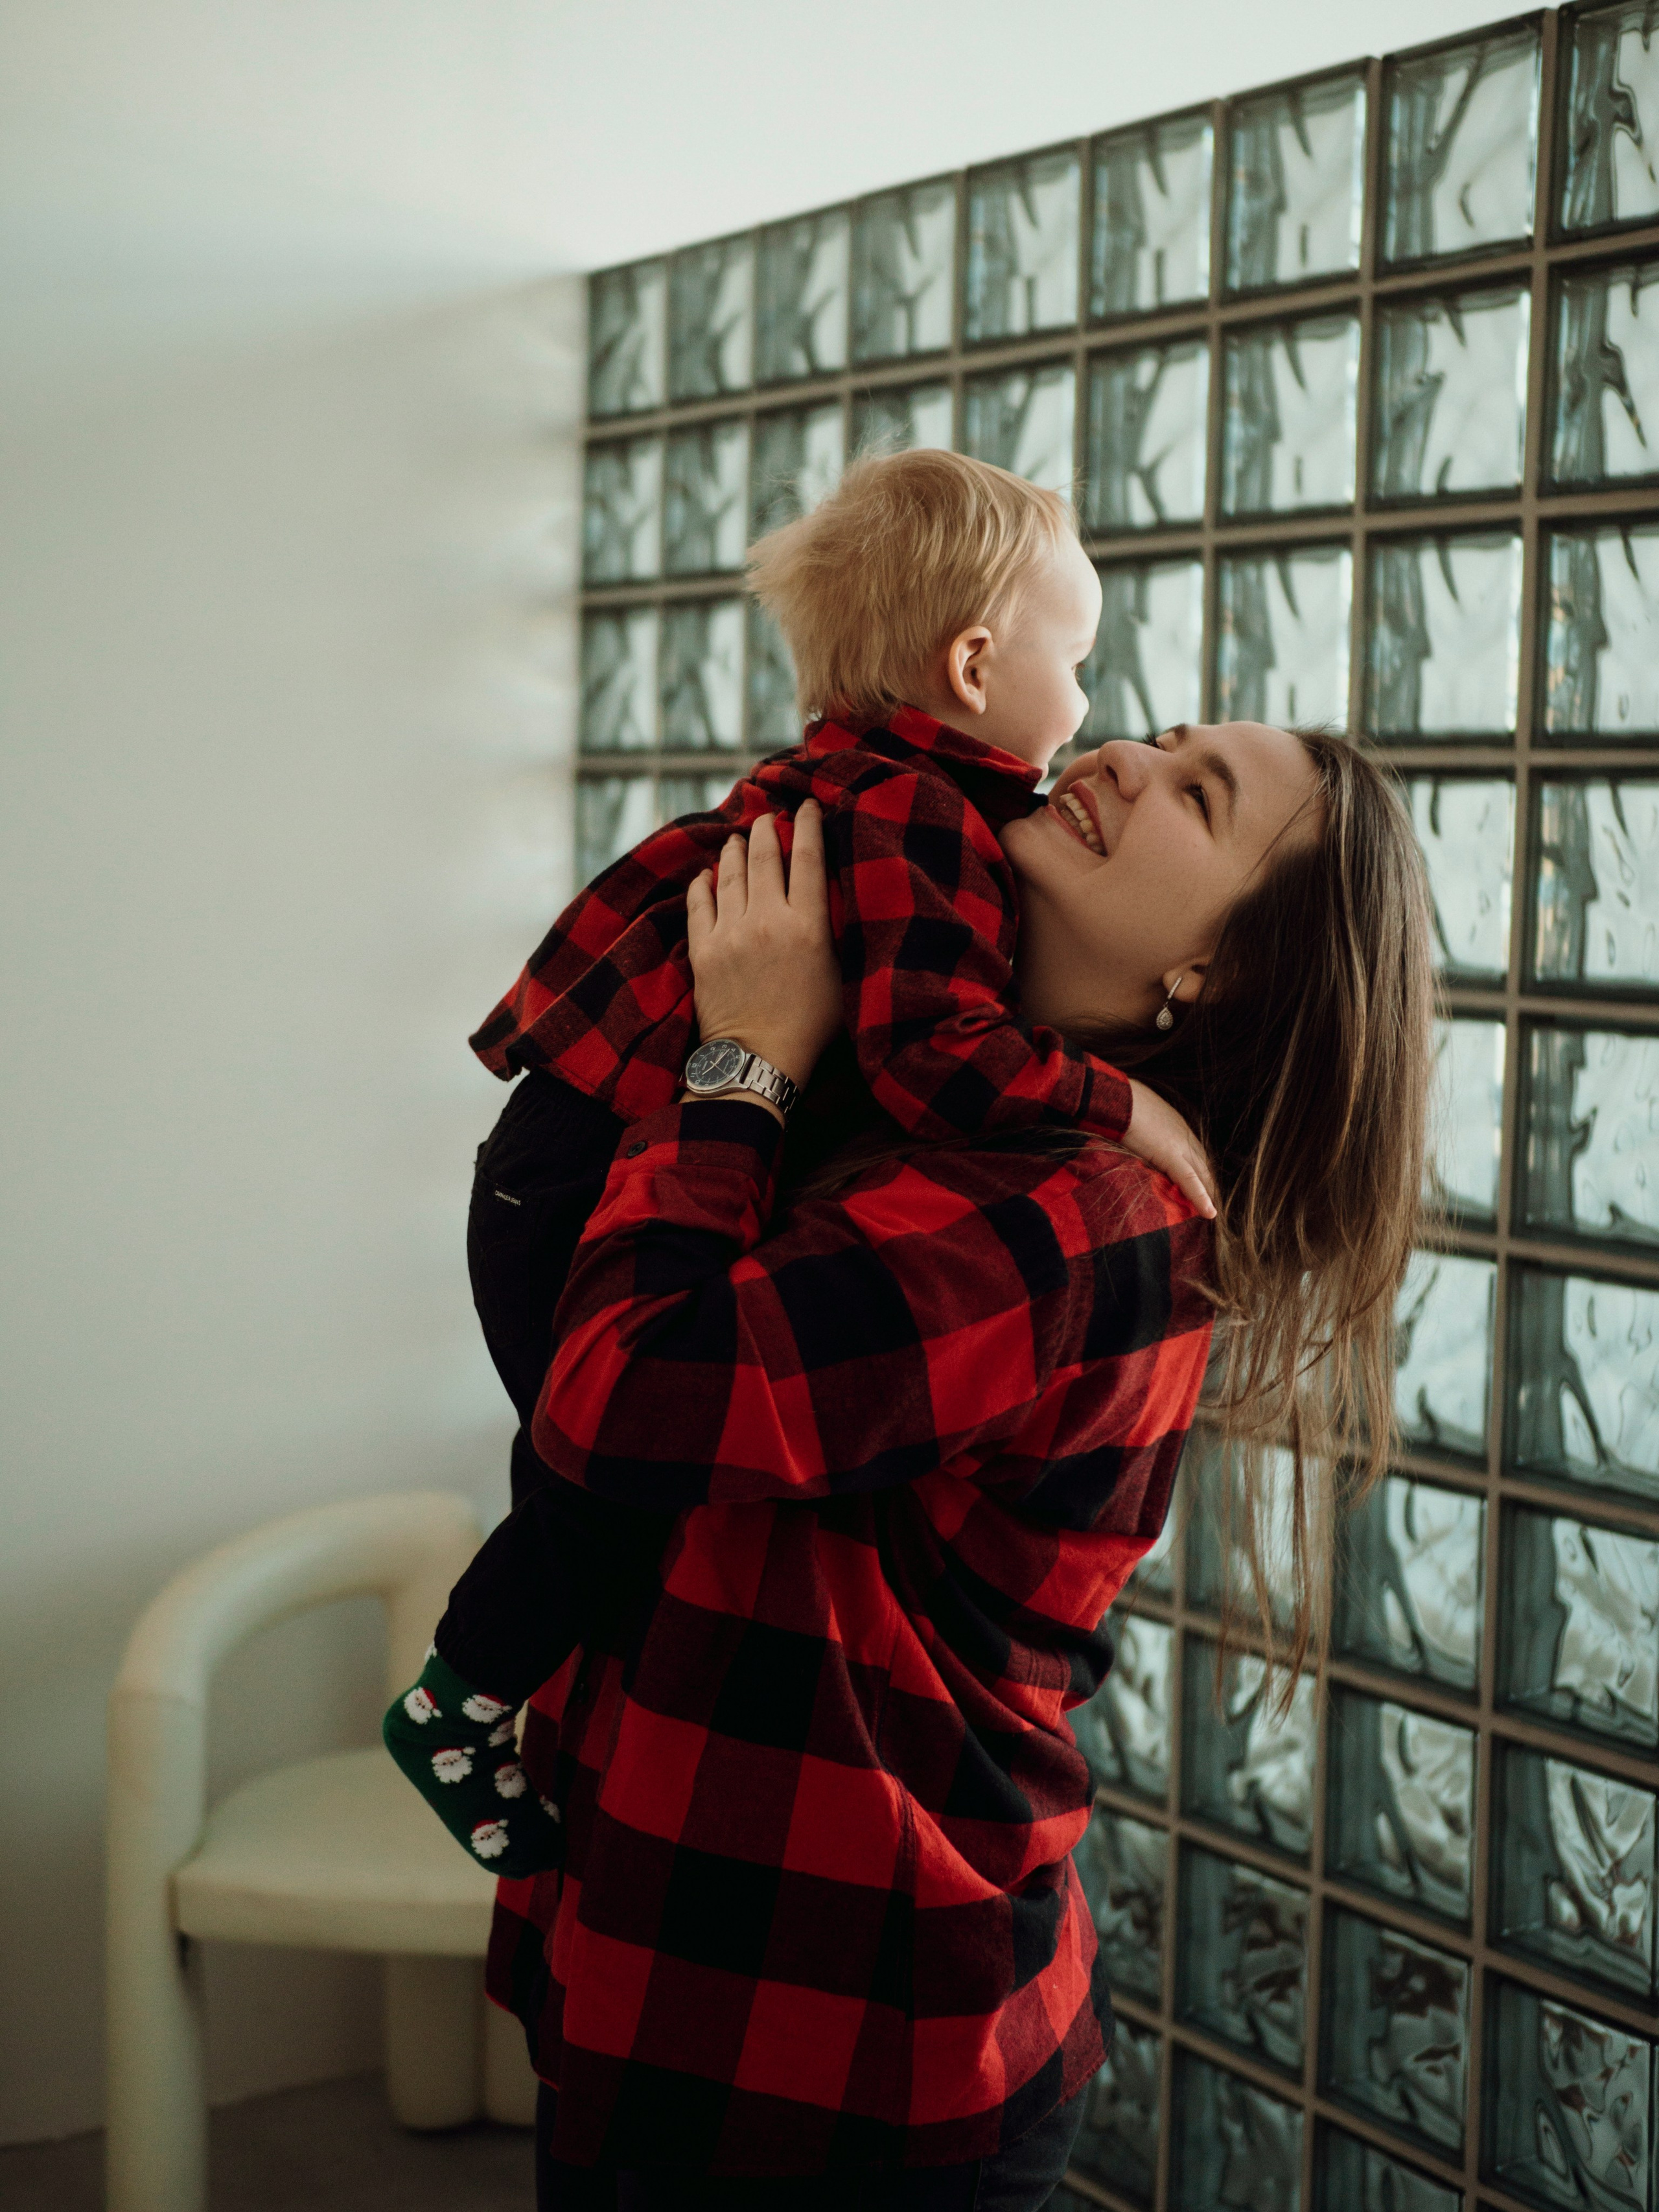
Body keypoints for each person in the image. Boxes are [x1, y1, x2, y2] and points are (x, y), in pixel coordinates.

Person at [390, 713, 1433, 2208]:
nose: (1124, 758)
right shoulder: (917, 1095)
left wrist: (742, 1055)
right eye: (1156, 735)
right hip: (664, 1949)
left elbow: (623, 1406)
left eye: (1196, 798)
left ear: (1218, 973)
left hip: (835, 2042)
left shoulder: (1086, 1216)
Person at [384, 450, 1219, 1870]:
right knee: (610, 1479)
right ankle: (458, 1700)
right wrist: (1120, 1103)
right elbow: (930, 1056)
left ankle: (482, 1697)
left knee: (610, 1493)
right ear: (970, 665)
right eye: (1077, 661)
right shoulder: (923, 819)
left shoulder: (854, 779)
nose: (1097, 724)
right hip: (584, 1172)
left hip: (550, 1161)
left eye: (1199, 795)